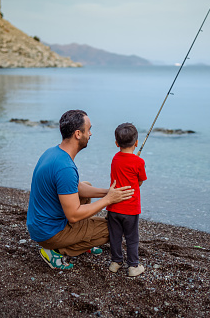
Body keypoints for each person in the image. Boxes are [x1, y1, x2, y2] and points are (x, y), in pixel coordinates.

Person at [27, 110, 134, 270]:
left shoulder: (54, 152)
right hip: (49, 233)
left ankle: (76, 239)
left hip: (39, 225)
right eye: (88, 129)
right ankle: (56, 250)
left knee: (87, 185)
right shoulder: (65, 168)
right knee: (114, 228)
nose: (90, 134)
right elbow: (73, 215)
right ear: (78, 134)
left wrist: (108, 192)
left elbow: (76, 187)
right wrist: (108, 200)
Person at [106, 123, 147, 277]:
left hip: (114, 208)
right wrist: (136, 163)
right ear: (136, 143)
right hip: (130, 209)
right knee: (132, 238)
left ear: (117, 143)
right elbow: (140, 181)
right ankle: (133, 266)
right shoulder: (139, 162)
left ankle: (115, 262)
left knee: (115, 236)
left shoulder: (115, 158)